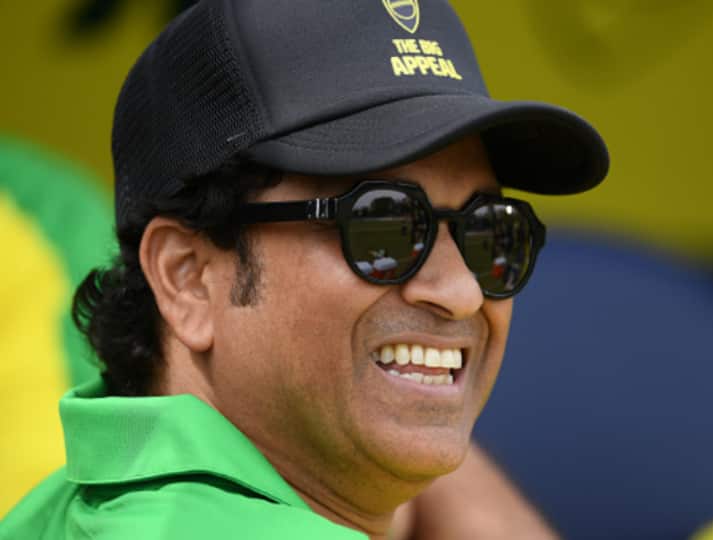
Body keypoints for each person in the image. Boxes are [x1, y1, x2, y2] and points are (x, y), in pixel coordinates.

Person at [0, 0, 608, 538]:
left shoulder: (58, 512)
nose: (461, 291)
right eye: (381, 223)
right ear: (187, 278)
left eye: (489, 229)